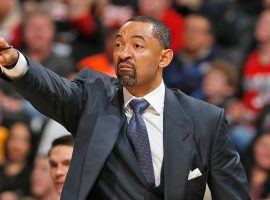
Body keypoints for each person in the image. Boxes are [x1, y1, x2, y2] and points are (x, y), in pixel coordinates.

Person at [0, 16, 250, 199]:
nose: (123, 53)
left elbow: (232, 195)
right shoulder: (93, 97)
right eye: (119, 45)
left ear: (164, 57)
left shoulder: (205, 119)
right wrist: (16, 62)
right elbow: (53, 88)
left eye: (137, 45)